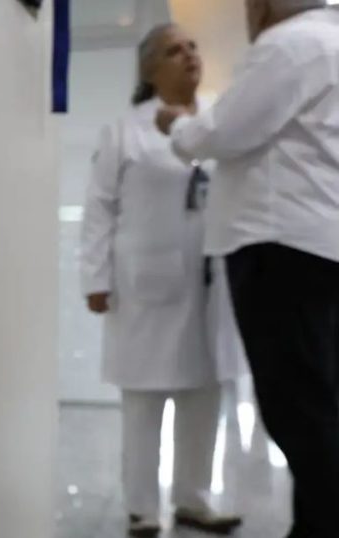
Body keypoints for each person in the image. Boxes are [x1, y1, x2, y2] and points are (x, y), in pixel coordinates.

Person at [156, 1, 339, 536]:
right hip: (316, 246)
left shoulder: (289, 45)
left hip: (280, 247)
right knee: (318, 402)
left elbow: (219, 136)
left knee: (299, 409)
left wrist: (178, 125)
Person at [81, 24, 245, 538]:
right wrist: (95, 277)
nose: (189, 55)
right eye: (174, 51)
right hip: (145, 286)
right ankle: (143, 508)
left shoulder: (219, 119)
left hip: (213, 283)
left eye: (193, 47)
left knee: (206, 392)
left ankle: (194, 499)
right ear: (150, 69)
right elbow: (99, 207)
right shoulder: (124, 131)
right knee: (144, 400)